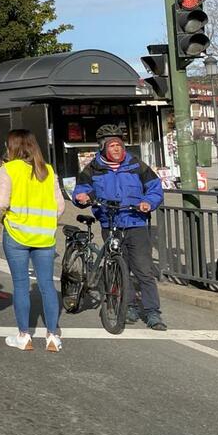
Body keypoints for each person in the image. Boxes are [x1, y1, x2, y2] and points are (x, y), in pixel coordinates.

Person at [73, 125, 167, 330]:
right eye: (112, 145)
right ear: (103, 148)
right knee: (117, 266)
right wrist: (82, 198)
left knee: (143, 269)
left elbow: (154, 188)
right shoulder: (92, 169)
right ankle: (129, 304)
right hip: (110, 223)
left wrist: (148, 203)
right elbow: (82, 191)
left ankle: (152, 312)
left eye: (119, 145)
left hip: (136, 223)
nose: (117, 149)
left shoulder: (136, 165)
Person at [0, 129, 66, 352]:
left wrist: (0, 217)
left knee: (20, 284)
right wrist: (46, 221)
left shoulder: (9, 169)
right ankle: (53, 335)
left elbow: (0, 203)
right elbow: (60, 206)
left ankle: (24, 335)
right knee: (47, 285)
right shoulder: (48, 170)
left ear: (12, 147)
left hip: (17, 233)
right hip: (44, 236)